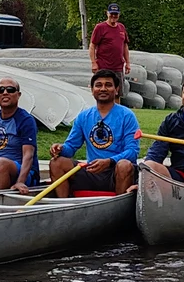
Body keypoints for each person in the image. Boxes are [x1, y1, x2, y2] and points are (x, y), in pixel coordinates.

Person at [49, 69, 141, 197]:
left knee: (124, 165)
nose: (103, 89)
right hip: (92, 170)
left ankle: (121, 208)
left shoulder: (127, 116)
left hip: (115, 171)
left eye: (108, 85)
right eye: (98, 85)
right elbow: (71, 147)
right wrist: (60, 149)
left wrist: (109, 161)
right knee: (57, 163)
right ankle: (64, 206)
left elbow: (132, 152)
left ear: (116, 89)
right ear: (92, 90)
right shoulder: (83, 116)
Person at [89, 2, 130, 80]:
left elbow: (125, 46)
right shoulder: (100, 27)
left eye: (116, 14)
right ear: (107, 13)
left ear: (119, 14)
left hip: (118, 68)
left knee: (119, 91)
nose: (113, 16)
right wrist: (93, 63)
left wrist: (127, 63)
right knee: (104, 90)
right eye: (111, 13)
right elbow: (92, 45)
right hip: (103, 67)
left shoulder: (121, 27)